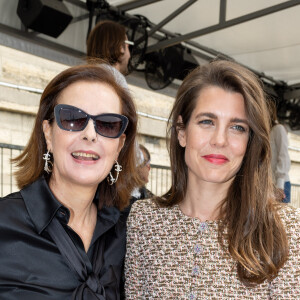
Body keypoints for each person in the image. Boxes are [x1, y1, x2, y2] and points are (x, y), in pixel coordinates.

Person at [125, 60, 300, 299]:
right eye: (207, 121)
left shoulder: (285, 229)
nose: (220, 140)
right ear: (182, 132)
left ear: (250, 142)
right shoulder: (144, 220)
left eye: (237, 127)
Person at [0, 64, 139, 299]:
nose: (90, 134)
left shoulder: (130, 233)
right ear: (48, 133)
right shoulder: (4, 224)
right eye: (73, 118)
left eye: (107, 124)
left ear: (119, 146)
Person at [86, 20, 132, 89]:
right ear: (120, 47)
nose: (129, 56)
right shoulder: (117, 79)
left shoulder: (84, 76)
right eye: (128, 46)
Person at [269, 101, 291, 203]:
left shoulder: (278, 129)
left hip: (279, 185)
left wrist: (280, 185)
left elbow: (284, 157)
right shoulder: (265, 133)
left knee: (281, 218)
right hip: (268, 185)